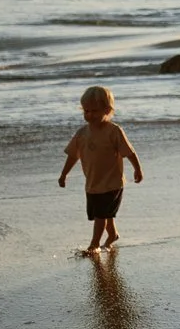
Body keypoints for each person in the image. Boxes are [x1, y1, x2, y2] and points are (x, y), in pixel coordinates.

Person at [58, 85, 143, 254]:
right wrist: (64, 174)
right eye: (86, 111)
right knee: (104, 214)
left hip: (112, 183)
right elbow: (73, 155)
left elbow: (129, 152)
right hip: (93, 183)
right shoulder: (82, 133)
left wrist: (137, 169)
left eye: (94, 111)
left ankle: (94, 244)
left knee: (101, 215)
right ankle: (112, 235)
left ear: (107, 110)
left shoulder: (114, 131)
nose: (90, 115)